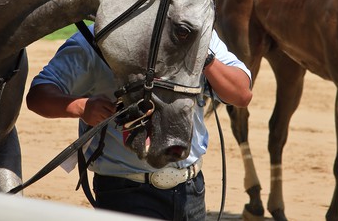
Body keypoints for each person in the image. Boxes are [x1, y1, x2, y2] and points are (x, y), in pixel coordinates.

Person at [27, 25, 252, 220]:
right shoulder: (95, 40)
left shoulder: (197, 32)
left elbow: (241, 94)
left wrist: (203, 53)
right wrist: (81, 107)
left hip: (191, 191)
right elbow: (38, 96)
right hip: (126, 194)